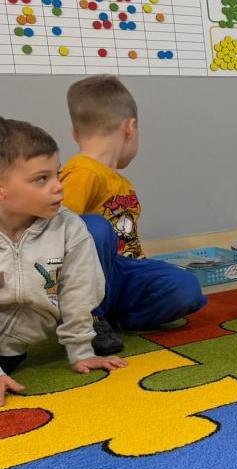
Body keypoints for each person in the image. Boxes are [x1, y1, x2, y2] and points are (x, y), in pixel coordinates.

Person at [60, 74, 206, 352]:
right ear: (130, 128)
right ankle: (87, 317)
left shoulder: (118, 181)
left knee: (186, 288)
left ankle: (117, 320)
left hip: (122, 273)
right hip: (85, 276)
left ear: (75, 133)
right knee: (94, 227)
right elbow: (55, 231)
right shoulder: (82, 172)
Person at [0, 118, 127, 406]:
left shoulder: (69, 227)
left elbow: (79, 291)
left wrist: (82, 351)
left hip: (16, 347)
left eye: (57, 174)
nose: (59, 187)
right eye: (41, 179)